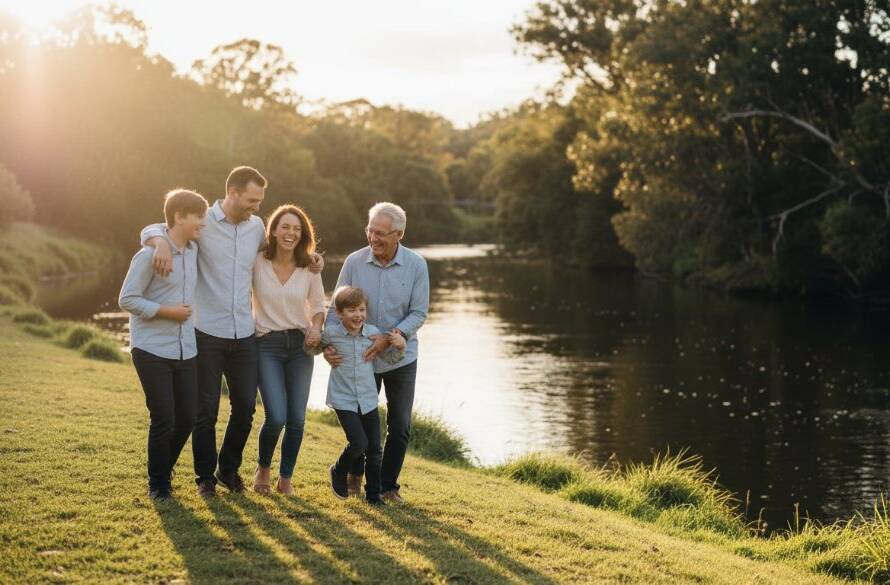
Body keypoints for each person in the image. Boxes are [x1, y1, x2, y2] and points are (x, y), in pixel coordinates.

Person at [140, 166, 323, 497]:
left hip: (245, 334)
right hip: (206, 332)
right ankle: (205, 478)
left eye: (260, 201)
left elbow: (288, 246)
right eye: (252, 200)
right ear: (233, 192)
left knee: (245, 408)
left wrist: (314, 260)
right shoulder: (203, 222)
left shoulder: (256, 229)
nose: (257, 207)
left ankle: (228, 469)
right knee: (205, 411)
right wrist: (158, 242)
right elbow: (160, 224)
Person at [324, 202, 429, 502]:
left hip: (400, 356)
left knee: (400, 425)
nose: (373, 238)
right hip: (360, 357)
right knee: (361, 420)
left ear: (399, 234)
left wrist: (390, 337)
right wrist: (328, 347)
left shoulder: (416, 265)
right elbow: (335, 310)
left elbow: (419, 312)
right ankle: (354, 474)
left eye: (381, 233)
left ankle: (387, 485)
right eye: (370, 231)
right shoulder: (354, 262)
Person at [119, 189, 208, 500]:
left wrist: (159, 238)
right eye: (198, 216)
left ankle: (163, 466)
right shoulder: (148, 255)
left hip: (186, 348)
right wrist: (167, 312)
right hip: (151, 348)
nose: (203, 223)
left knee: (188, 416)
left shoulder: (193, 250)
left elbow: (156, 229)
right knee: (164, 417)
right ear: (180, 217)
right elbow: (126, 298)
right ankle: (158, 485)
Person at [251, 205, 324, 495]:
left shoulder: (309, 267)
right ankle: (263, 468)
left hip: (300, 347)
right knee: (276, 417)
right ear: (273, 230)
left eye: (296, 229)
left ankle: (285, 479)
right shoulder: (257, 261)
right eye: (285, 227)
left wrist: (316, 327)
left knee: (296, 418)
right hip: (266, 344)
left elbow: (318, 306)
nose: (290, 233)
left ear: (302, 233)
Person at [314, 286, 405, 505]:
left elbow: (389, 361)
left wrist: (400, 347)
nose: (358, 315)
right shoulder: (332, 334)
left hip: (367, 399)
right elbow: (312, 348)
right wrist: (322, 348)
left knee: (374, 449)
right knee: (358, 443)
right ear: (339, 313)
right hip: (343, 399)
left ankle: (373, 496)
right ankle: (338, 470)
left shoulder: (373, 334)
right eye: (352, 310)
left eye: (362, 310)